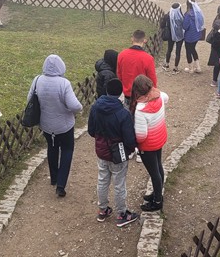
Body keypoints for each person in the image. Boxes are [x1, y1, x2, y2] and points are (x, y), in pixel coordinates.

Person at [28, 54, 83, 197]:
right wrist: (78, 109)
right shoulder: (64, 83)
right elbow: (74, 105)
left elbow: (30, 100)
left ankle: (53, 177)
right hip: (64, 126)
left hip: (46, 125)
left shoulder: (37, 80)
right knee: (67, 150)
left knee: (52, 147)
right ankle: (61, 185)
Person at [88, 78, 140, 227]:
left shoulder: (95, 107)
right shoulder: (123, 113)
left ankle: (103, 209)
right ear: (121, 93)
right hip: (118, 152)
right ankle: (122, 213)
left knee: (102, 179)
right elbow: (129, 139)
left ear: (106, 91)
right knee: (119, 183)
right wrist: (131, 149)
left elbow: (91, 130)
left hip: (101, 150)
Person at [131, 74, 169, 212]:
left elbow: (141, 136)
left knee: (154, 172)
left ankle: (157, 201)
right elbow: (166, 97)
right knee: (158, 167)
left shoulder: (141, 109)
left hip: (147, 146)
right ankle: (157, 193)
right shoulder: (159, 96)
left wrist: (134, 142)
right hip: (159, 139)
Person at [117, 30, 158, 104]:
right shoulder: (148, 58)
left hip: (127, 93)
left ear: (132, 39)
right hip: (142, 95)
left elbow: (119, 75)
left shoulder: (122, 55)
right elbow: (152, 79)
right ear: (144, 41)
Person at [182, 0, 204, 74]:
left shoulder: (187, 15)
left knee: (188, 51)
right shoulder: (198, 13)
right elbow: (201, 22)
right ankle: (198, 67)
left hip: (189, 36)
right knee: (193, 49)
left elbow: (185, 26)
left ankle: (190, 68)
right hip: (197, 35)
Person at [164, 2, 185, 72]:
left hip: (170, 35)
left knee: (169, 50)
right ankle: (175, 68)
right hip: (180, 36)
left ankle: (167, 65)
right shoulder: (181, 17)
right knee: (178, 52)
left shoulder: (168, 15)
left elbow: (162, 25)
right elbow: (184, 26)